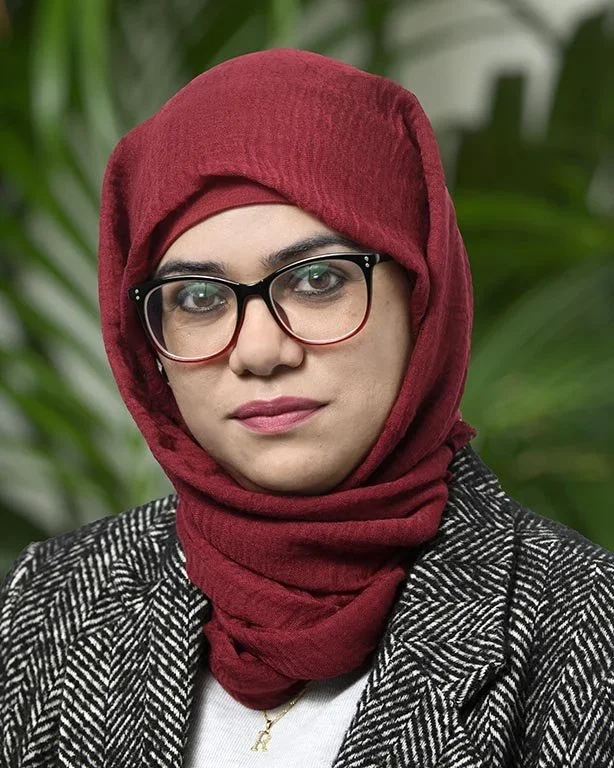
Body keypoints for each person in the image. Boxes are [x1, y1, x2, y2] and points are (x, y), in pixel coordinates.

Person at [1, 48, 612, 768]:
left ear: (421, 297)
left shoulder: (584, 632)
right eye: (197, 298)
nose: (259, 350)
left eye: (318, 280)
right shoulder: (50, 602)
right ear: (148, 347)